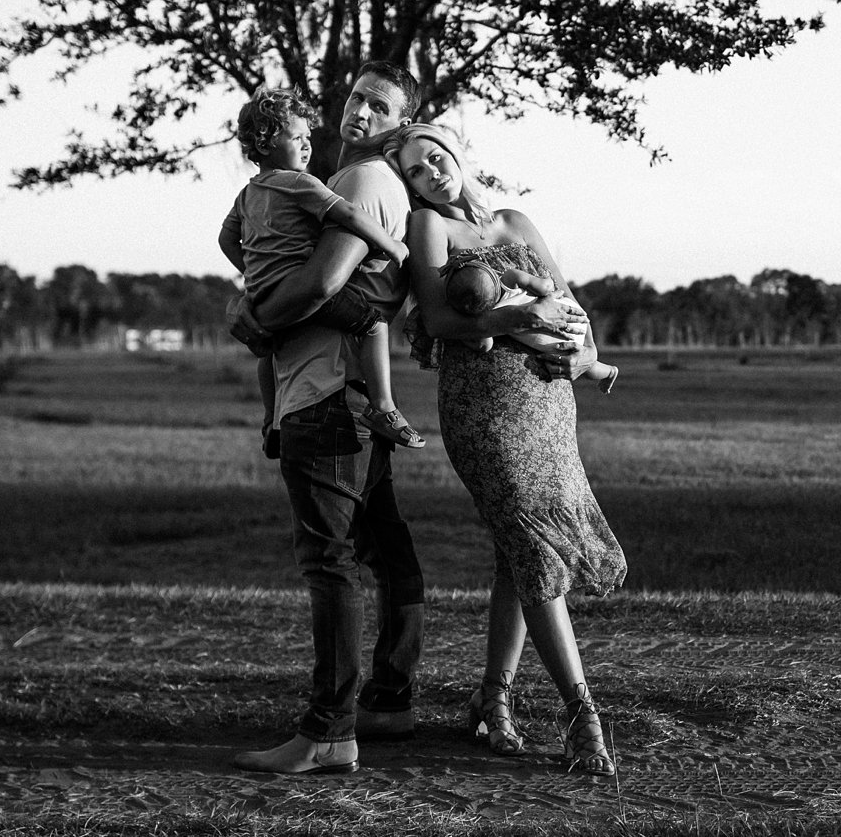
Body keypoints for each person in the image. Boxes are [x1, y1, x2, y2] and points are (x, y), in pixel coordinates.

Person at [394, 122, 625, 777]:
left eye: (436, 158)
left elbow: (569, 305)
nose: (431, 173)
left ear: (457, 155)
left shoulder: (515, 219)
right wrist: (518, 320)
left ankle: (491, 701)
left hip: (548, 401)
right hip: (481, 406)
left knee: (514, 551)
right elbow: (440, 322)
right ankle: (582, 711)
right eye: (416, 169)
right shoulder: (428, 228)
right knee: (532, 544)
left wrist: (585, 357)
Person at [228, 62, 432, 776]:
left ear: (401, 123)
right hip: (344, 398)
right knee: (385, 552)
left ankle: (329, 728)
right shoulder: (354, 183)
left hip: (324, 397)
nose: (361, 113)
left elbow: (322, 282)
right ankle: (390, 698)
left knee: (330, 565)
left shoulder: (359, 183)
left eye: (380, 106)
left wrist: (252, 319)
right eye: (356, 99)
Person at [218, 88, 426, 456]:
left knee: (269, 353)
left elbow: (226, 238)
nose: (307, 144)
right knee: (373, 324)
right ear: (266, 144)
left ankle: (271, 421)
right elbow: (348, 215)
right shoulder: (300, 183)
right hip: (300, 284)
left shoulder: (247, 194)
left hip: (262, 289)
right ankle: (385, 408)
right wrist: (393, 245)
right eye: (297, 137)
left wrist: (254, 271)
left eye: (308, 137)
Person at [441, 256, 619, 393]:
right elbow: (546, 285)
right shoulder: (508, 279)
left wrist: (464, 335)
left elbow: (483, 346)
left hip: (556, 342)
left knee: (589, 366)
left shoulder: (489, 318)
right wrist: (543, 287)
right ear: (489, 272)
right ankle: (611, 371)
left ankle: (608, 372)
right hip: (571, 314)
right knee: (587, 361)